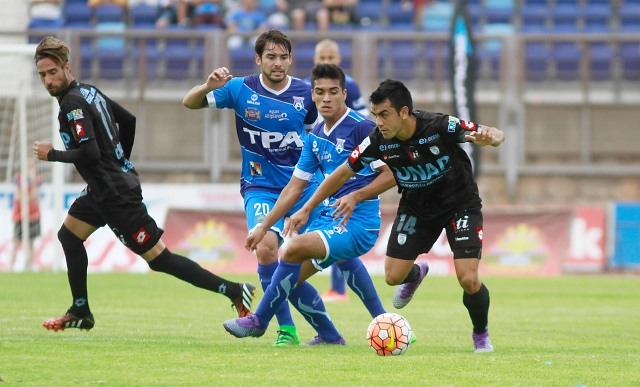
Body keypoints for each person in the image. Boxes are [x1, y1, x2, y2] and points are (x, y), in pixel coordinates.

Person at [33, 36, 255, 332]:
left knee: (159, 259)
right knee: (69, 236)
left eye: (52, 73)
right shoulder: (88, 92)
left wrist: (52, 154)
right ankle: (80, 310)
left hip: (115, 195)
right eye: (43, 75)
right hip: (103, 189)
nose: (48, 80)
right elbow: (129, 121)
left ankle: (234, 289)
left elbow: (89, 152)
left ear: (66, 67)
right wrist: (120, 162)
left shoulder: (72, 103)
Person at [279, 79, 505, 353]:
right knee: (392, 276)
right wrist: (306, 209)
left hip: (459, 204)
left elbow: (490, 132)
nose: (379, 122)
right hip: (417, 207)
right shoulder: (376, 140)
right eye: (375, 116)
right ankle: (414, 275)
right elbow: (341, 173)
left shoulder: (439, 126)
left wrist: (492, 138)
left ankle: (480, 333)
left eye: (384, 115)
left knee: (468, 279)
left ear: (405, 112)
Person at [222, 63, 395, 344]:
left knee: (293, 249)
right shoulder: (315, 135)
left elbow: (392, 174)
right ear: (312, 96)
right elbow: (294, 186)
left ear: (343, 94)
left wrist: (355, 196)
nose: (326, 98)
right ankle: (331, 336)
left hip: (360, 223)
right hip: (332, 217)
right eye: (320, 92)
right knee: (288, 281)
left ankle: (259, 321)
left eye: (333, 92)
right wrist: (263, 226)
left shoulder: (362, 129)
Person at [182, 29, 320, 346]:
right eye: (271, 57)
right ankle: (287, 330)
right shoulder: (239, 89)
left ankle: (331, 330)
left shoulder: (305, 94)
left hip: (301, 189)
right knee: (265, 248)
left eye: (284, 57)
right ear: (258, 59)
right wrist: (207, 86)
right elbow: (189, 103)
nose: (278, 63)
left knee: (306, 266)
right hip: (260, 187)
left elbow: (322, 129)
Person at [304, 38, 368, 302]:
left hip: (342, 163)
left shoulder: (349, 85)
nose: (326, 62)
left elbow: (365, 119)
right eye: (322, 58)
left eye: (331, 58)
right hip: (318, 161)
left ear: (339, 60)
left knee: (335, 226)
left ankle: (337, 289)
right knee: (329, 228)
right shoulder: (311, 89)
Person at [10, 160, 42, 272]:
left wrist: (32, 181)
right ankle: (10, 266)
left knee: (31, 242)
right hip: (20, 215)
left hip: (33, 215)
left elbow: (35, 196)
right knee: (16, 241)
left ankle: (29, 266)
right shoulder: (18, 178)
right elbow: (18, 196)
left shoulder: (36, 179)